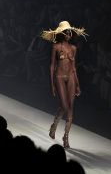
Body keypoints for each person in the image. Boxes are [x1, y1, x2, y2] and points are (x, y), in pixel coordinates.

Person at [40, 21, 88, 149]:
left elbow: (74, 68)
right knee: (65, 106)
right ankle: (55, 125)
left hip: (71, 77)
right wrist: (52, 84)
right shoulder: (55, 47)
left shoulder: (73, 48)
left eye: (69, 31)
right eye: (66, 31)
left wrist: (78, 84)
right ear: (61, 33)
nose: (68, 33)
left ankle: (65, 136)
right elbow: (52, 66)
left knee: (69, 107)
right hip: (59, 77)